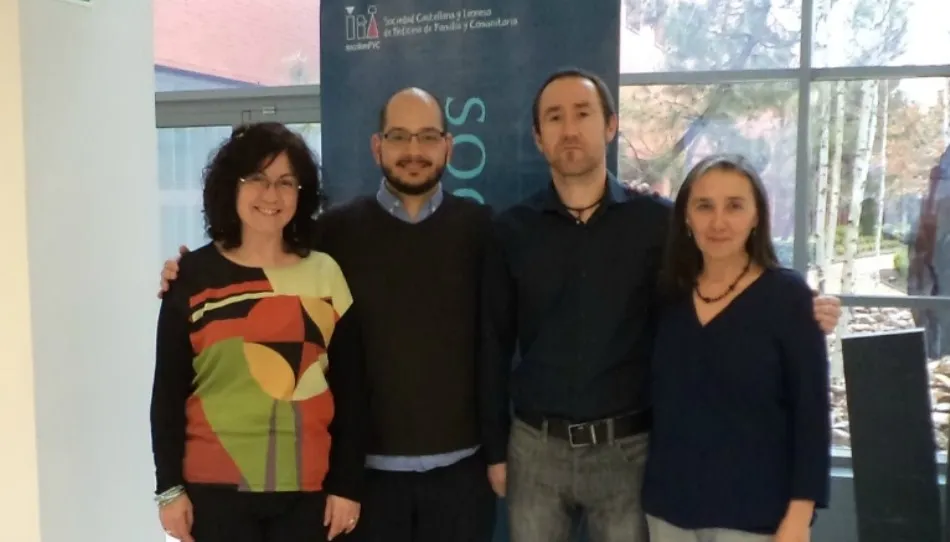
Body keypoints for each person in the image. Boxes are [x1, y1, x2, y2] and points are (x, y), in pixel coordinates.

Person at [477, 68, 842, 542]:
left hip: (629, 453)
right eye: (555, 117)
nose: (570, 129)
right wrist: (495, 450)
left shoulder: (657, 224)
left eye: (583, 114)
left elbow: (730, 272)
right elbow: (492, 344)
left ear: (610, 127)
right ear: (538, 136)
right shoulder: (511, 232)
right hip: (535, 450)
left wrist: (808, 306)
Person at [157, 89, 496, 542]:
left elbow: (497, 343)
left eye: (427, 136)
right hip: (328, 483)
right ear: (378, 146)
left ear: (447, 146)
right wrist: (179, 270)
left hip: (431, 478)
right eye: (399, 136)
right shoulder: (332, 234)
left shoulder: (481, 230)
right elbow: (169, 390)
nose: (413, 150)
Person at [150, 122, 366, 542]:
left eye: (286, 182)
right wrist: (169, 489)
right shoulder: (191, 276)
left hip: (309, 493)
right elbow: (168, 394)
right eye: (257, 179)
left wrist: (347, 486)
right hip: (213, 493)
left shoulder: (326, 274)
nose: (272, 195)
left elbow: (353, 394)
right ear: (231, 187)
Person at [642, 153, 830, 542]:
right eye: (704, 206)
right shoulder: (667, 296)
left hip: (755, 517)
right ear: (686, 218)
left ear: (757, 215)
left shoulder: (788, 298)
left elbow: (811, 416)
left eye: (734, 206)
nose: (718, 222)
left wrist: (800, 514)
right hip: (668, 511)